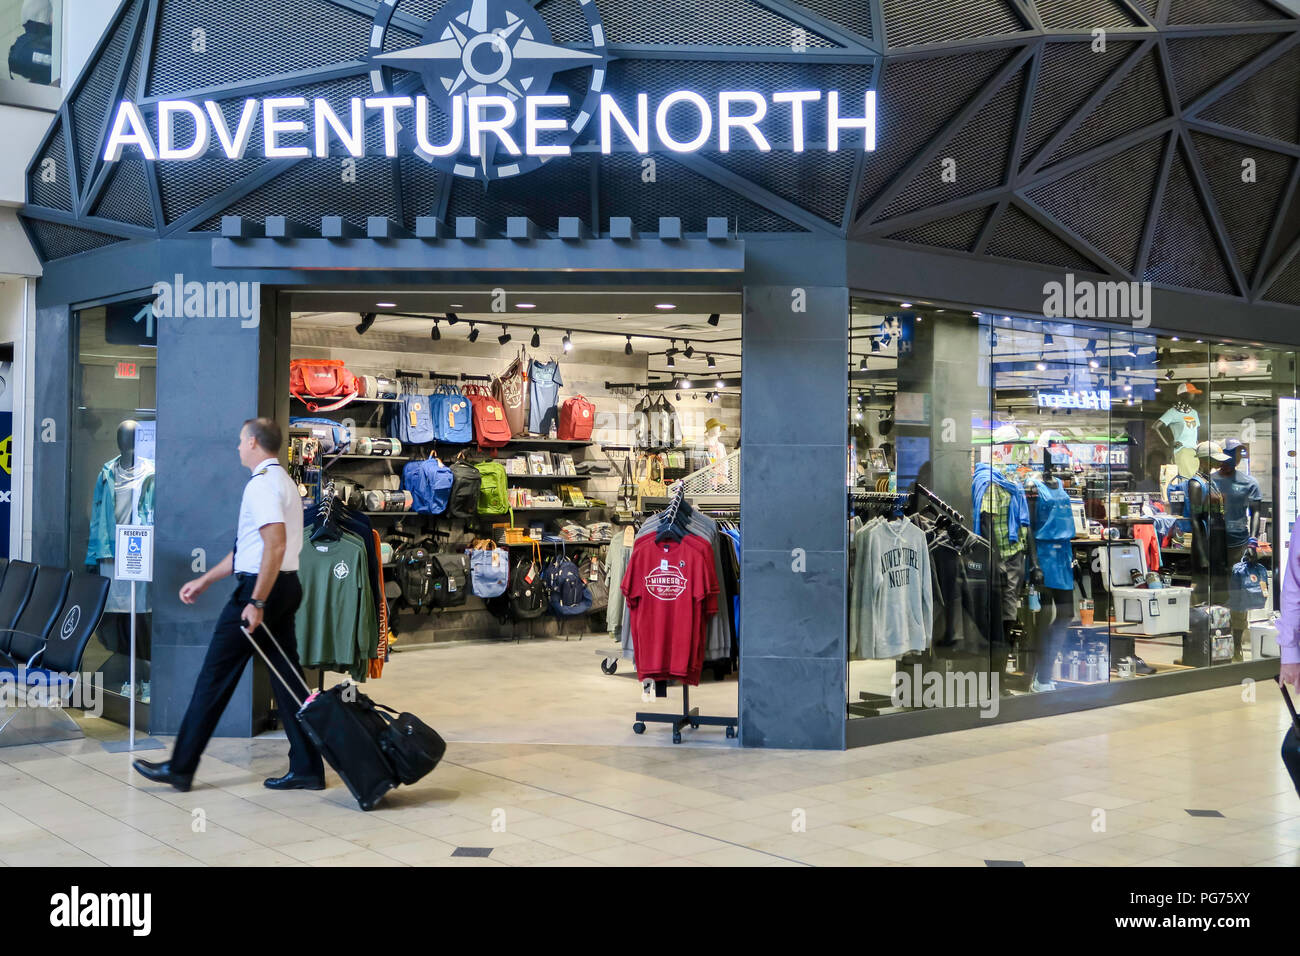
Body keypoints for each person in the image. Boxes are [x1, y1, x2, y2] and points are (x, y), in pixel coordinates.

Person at [133, 418, 324, 792]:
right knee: (288, 683)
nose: (237, 447)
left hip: (261, 591)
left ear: (253, 443)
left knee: (213, 679)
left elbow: (275, 546)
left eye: (240, 441)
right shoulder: (282, 481)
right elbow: (248, 551)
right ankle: (307, 767)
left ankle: (181, 767)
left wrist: (256, 601)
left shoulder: (262, 486)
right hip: (282, 586)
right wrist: (206, 579)